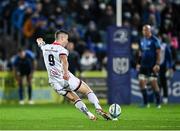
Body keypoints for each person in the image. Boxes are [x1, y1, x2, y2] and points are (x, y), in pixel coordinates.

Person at [36, 30, 111, 121]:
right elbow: (64, 61)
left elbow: (41, 45)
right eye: (66, 39)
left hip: (54, 82)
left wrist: (40, 42)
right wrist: (66, 73)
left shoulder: (46, 47)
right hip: (65, 78)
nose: (67, 41)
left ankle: (89, 114)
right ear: (62, 38)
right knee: (87, 90)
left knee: (74, 99)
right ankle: (98, 107)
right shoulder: (62, 50)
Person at [136, 25, 161, 108]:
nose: (144, 31)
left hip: (152, 65)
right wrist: (138, 63)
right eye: (143, 30)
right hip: (143, 65)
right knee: (141, 82)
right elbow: (140, 53)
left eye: (146, 30)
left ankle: (158, 103)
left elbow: (158, 53)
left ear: (150, 30)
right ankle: (146, 103)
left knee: (154, 83)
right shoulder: (141, 40)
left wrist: (157, 64)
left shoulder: (155, 40)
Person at [159, 35, 173, 104]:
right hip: (155, 66)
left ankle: (165, 97)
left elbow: (169, 57)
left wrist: (170, 67)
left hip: (163, 67)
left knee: (163, 82)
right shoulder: (154, 45)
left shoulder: (164, 46)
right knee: (156, 82)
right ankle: (158, 98)